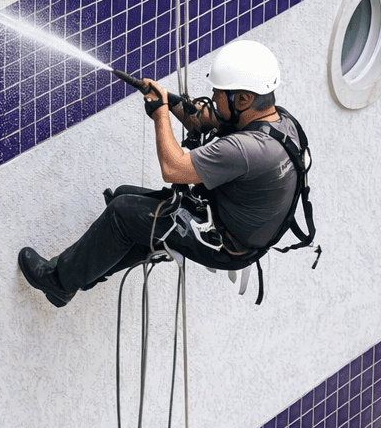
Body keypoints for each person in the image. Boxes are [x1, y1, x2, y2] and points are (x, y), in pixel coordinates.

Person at [18, 40, 310, 307]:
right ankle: (88, 271)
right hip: (239, 230)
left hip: (223, 244)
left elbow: (173, 169)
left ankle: (59, 283)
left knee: (122, 212)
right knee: (126, 198)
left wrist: (160, 115)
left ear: (244, 99)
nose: (212, 96)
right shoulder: (279, 122)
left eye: (219, 93)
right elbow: (202, 120)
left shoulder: (246, 150)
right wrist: (166, 99)